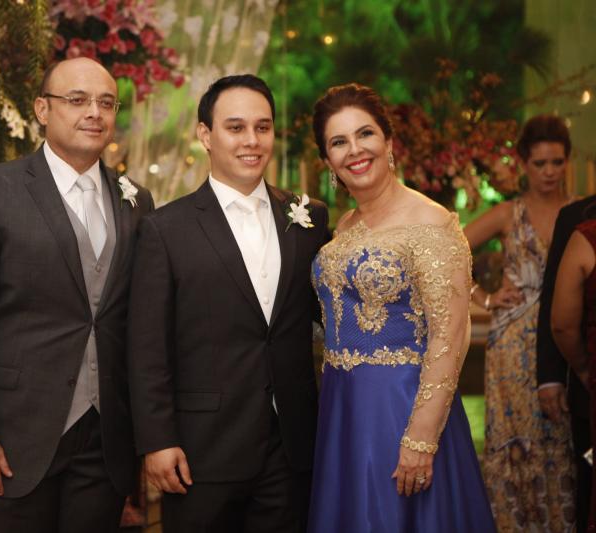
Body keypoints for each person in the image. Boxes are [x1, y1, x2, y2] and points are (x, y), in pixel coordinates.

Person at [0, 58, 154, 533]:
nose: (94, 112)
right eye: (77, 100)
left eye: (106, 103)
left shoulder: (136, 200)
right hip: (10, 439)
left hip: (104, 442)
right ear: (42, 109)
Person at [127, 74, 329, 533]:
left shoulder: (309, 218)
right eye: (235, 127)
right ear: (206, 135)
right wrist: (157, 441)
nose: (251, 140)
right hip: (202, 451)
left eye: (263, 127)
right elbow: (147, 348)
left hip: (292, 445)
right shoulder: (165, 229)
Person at [308, 83, 494, 532]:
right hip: (343, 408)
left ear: (388, 142)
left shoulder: (430, 222)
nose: (355, 150)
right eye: (339, 142)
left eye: (365, 134)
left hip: (401, 409)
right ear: (328, 161)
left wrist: (422, 437)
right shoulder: (345, 226)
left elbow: (450, 336)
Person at [464, 114, 576, 531]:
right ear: (524, 164)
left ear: (567, 162)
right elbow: (446, 251)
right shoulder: (508, 214)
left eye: (557, 162)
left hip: (565, 338)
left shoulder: (580, 211)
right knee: (516, 443)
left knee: (565, 437)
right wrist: (485, 297)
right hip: (513, 344)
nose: (549, 172)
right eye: (539, 163)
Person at [539, 194, 596, 533]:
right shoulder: (577, 218)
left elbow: (562, 324)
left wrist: (585, 368)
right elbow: (553, 305)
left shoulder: (587, 235)